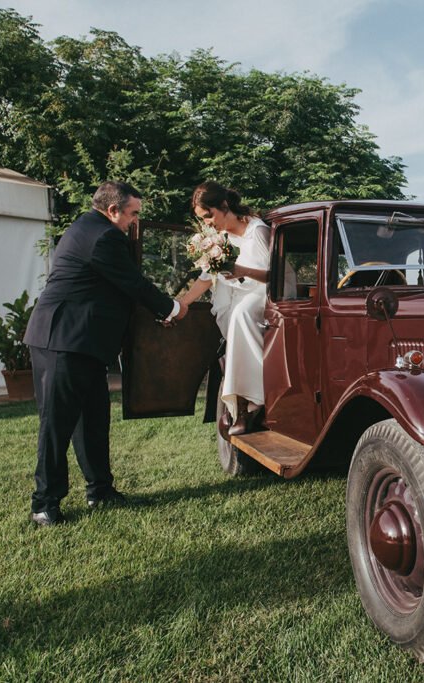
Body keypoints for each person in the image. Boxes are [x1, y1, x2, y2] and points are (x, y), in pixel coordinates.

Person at [23, 181, 189, 526]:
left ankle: (100, 490)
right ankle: (44, 504)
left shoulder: (88, 227)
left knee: (93, 420)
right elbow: (133, 283)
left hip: (83, 342)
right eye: (133, 213)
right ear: (113, 210)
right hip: (64, 340)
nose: (134, 221)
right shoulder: (104, 236)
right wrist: (172, 308)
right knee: (57, 424)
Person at [177, 181, 269, 436]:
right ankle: (238, 401)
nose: (207, 223)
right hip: (238, 291)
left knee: (240, 314)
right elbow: (207, 277)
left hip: (264, 292)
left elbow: (277, 276)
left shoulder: (258, 231)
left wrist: (241, 270)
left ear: (224, 206)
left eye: (209, 216)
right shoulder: (221, 238)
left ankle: (251, 401)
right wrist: (182, 304)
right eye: (203, 219)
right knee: (226, 312)